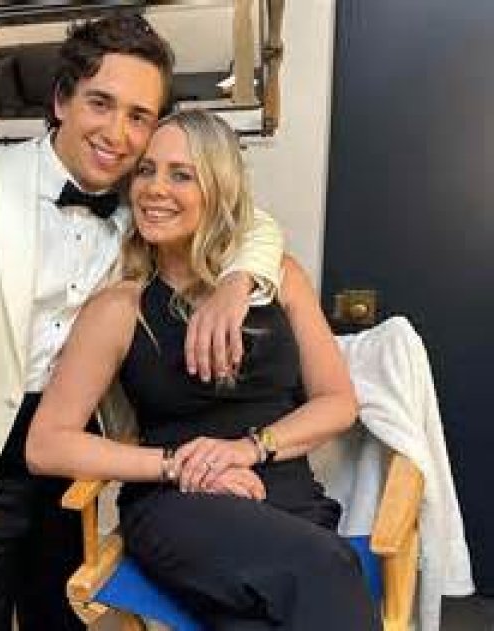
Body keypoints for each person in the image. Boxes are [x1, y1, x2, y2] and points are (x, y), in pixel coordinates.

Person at [0, 14, 283, 631]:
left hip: (78, 438)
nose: (118, 134)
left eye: (139, 116)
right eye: (101, 104)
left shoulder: (143, 198)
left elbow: (249, 220)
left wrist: (239, 282)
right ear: (61, 101)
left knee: (62, 612)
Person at [26, 109, 382, 630]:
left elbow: (337, 402)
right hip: (179, 505)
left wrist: (248, 449)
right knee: (326, 568)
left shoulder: (279, 280)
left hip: (286, 497)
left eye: (181, 175)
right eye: (145, 171)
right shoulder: (121, 308)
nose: (154, 188)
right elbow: (46, 445)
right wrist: (178, 464)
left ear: (218, 189)